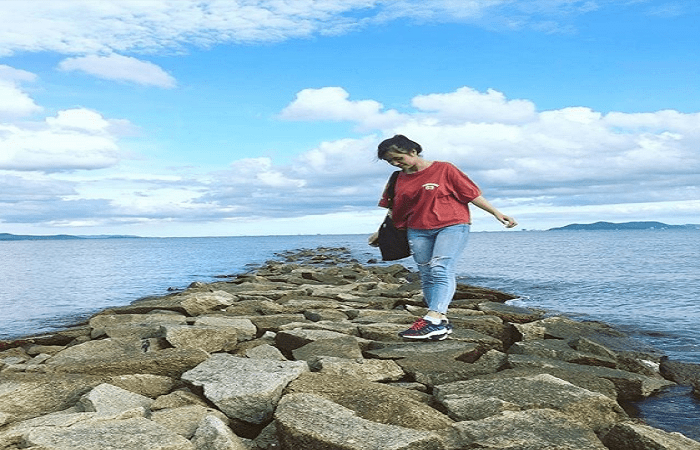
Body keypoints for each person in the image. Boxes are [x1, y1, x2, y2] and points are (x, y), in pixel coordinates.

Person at [368, 135, 517, 340]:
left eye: (398, 158)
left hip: (452, 226)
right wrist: (381, 232)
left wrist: (496, 213)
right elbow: (394, 208)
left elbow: (471, 194)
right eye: (390, 161)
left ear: (413, 151)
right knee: (427, 273)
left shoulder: (444, 169)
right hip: (417, 230)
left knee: (440, 268)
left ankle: (433, 318)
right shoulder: (397, 178)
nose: (395, 163)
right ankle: (440, 323)